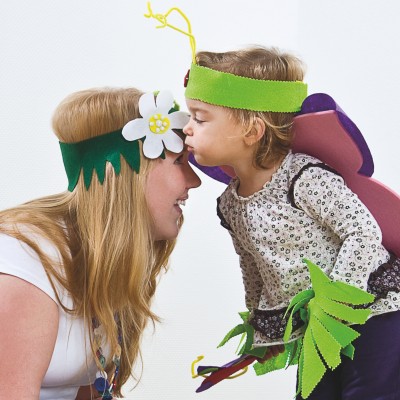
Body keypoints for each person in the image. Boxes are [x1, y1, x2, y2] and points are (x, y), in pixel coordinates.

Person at [183, 46, 400, 399]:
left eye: (200, 118)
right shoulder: (230, 204)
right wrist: (263, 327)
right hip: (319, 327)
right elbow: (252, 265)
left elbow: (362, 231)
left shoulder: (304, 178)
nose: (187, 128)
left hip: (374, 313)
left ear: (252, 131)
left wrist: (338, 302)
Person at [0, 87, 201, 399]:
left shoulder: (102, 257)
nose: (194, 180)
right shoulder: (26, 260)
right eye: (179, 161)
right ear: (129, 173)